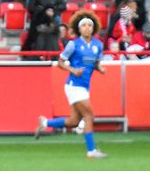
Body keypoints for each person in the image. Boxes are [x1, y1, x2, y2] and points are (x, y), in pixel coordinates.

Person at [34, 10, 108, 158]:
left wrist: (100, 68)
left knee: (74, 121)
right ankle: (91, 150)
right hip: (74, 85)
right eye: (84, 25)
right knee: (89, 115)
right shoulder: (73, 45)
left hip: (84, 86)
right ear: (79, 29)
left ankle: (45, 123)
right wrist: (73, 70)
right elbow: (60, 62)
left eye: (89, 25)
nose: (87, 27)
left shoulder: (98, 45)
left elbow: (96, 63)